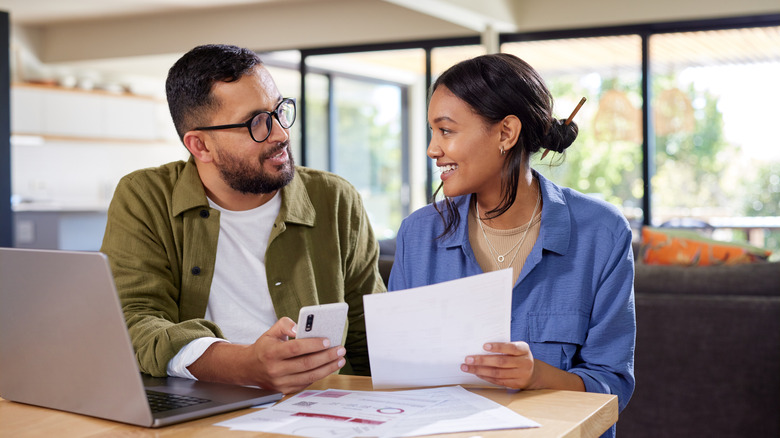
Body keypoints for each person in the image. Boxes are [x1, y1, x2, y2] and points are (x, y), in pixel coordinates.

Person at [101, 44, 385, 394]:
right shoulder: (145, 196)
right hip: (198, 404)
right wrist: (244, 366)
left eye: (280, 111)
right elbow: (134, 320)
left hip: (321, 402)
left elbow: (370, 331)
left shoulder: (335, 199)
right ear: (200, 146)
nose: (281, 133)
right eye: (257, 123)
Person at [388, 53, 635, 436]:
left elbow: (612, 386)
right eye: (431, 132)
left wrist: (537, 375)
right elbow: (398, 378)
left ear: (506, 133)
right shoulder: (418, 235)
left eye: (446, 131)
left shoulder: (602, 233)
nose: (432, 149)